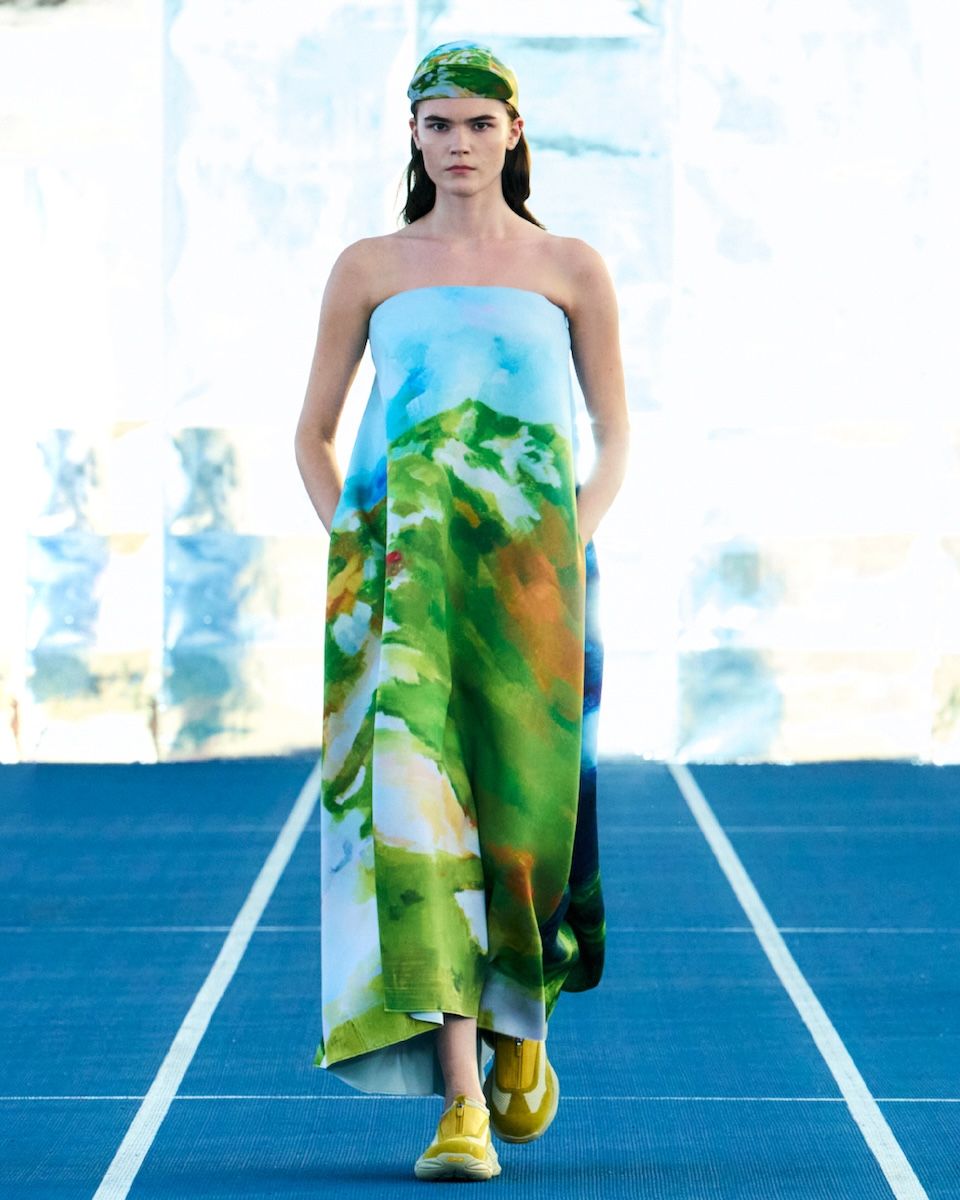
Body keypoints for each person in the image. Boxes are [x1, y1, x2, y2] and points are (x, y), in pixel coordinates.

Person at [293, 39, 630, 1182]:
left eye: (479, 123)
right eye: (438, 124)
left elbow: (615, 437)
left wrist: (567, 544)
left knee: (526, 831)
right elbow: (312, 433)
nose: (459, 144)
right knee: (421, 825)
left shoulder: (570, 268)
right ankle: (460, 1103)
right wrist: (357, 550)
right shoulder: (371, 268)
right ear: (413, 136)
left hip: (538, 596)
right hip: (403, 599)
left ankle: (523, 1021)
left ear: (514, 133)